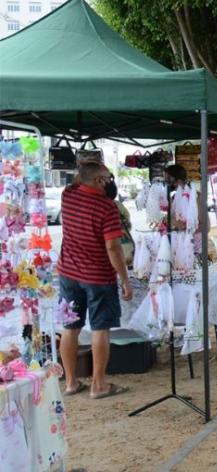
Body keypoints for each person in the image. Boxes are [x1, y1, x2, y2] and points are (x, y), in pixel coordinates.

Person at [59, 162, 133, 399]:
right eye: (108, 177)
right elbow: (113, 247)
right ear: (100, 180)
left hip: (68, 273)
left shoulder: (68, 196)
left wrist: (86, 174)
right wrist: (124, 279)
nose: (110, 181)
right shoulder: (106, 207)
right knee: (100, 328)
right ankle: (98, 385)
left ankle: (71, 382)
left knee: (70, 327)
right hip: (99, 277)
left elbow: (77, 180)